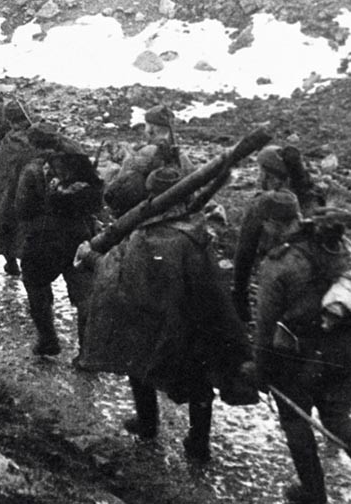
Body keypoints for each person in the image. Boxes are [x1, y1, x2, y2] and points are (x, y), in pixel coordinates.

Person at [80, 167, 258, 463]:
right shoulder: (195, 229)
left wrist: (89, 257)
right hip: (191, 324)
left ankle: (148, 424)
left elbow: (115, 274)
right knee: (199, 384)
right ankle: (198, 443)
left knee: (140, 368)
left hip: (153, 320)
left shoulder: (144, 236)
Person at [255, 199, 351, 504]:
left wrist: (262, 370)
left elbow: (264, 323)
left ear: (274, 224)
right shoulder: (341, 247)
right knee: (338, 416)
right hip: (342, 349)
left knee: (296, 423)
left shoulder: (279, 262)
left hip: (297, 357)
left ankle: (313, 494)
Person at [13, 123, 103, 358]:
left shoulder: (33, 168)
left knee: (35, 282)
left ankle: (48, 339)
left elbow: (22, 208)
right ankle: (88, 353)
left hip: (44, 237)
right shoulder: (77, 159)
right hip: (80, 234)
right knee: (84, 294)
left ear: (33, 143)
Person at [232, 144, 327, 322]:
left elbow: (245, 253)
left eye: (262, 172)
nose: (259, 178)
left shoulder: (262, 204)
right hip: (315, 287)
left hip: (276, 279)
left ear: (272, 177)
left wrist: (239, 294)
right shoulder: (315, 196)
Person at [0, 100, 38, 276]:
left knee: (5, 226)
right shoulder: (33, 140)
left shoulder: (8, 140)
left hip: (5, 193)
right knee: (26, 231)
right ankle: (27, 267)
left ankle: (11, 263)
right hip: (26, 193)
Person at [103, 104, 193, 218]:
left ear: (151, 129)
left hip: (143, 214)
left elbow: (117, 188)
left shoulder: (146, 153)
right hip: (177, 212)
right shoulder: (183, 158)